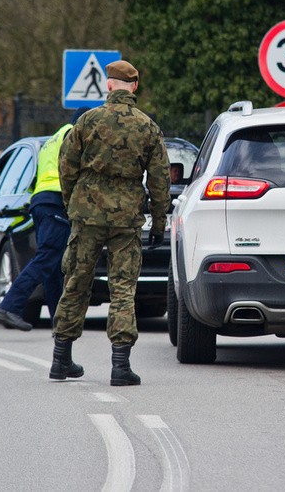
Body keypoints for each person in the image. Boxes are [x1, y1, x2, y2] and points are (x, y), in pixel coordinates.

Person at [50, 60, 170, 386]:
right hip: (126, 218)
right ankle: (120, 366)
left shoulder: (87, 120)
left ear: (108, 85)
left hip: (86, 214)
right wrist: (159, 222)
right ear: (134, 86)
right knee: (123, 288)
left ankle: (61, 360)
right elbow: (159, 180)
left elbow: (66, 166)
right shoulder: (147, 126)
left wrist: (72, 202)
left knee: (76, 282)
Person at [0, 106, 91, 331]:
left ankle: (60, 323)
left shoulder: (55, 137)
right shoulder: (72, 135)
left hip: (41, 201)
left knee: (54, 266)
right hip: (56, 201)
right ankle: (10, 306)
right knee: (48, 257)